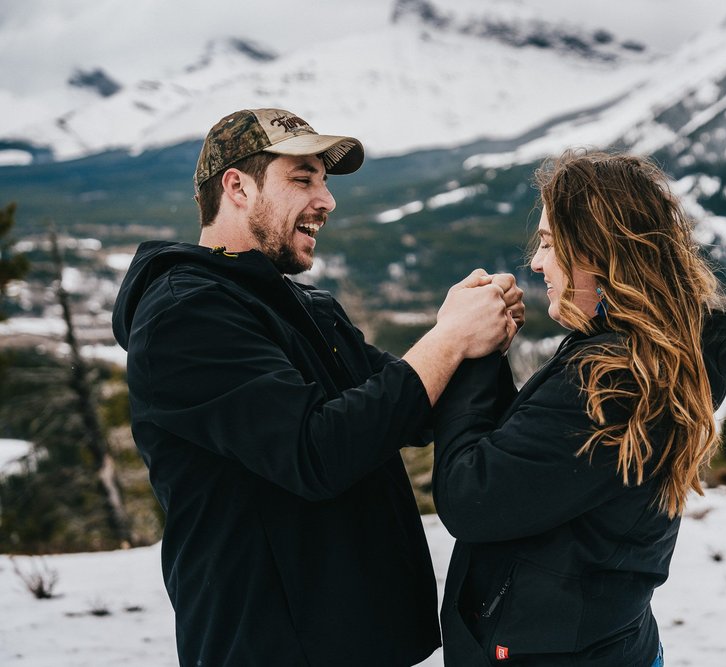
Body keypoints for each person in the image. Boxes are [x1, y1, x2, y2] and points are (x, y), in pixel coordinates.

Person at [111, 108, 523, 666]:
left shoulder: (307, 308)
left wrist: (482, 337)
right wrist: (449, 338)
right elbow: (315, 452)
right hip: (271, 649)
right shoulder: (185, 314)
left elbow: (417, 408)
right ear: (236, 186)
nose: (326, 201)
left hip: (361, 643)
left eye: (323, 183)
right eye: (302, 179)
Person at [431, 150, 726, 666]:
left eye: (551, 243)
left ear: (599, 254)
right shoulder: (649, 354)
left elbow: (473, 495)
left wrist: (470, 352)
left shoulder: (612, 381)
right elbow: (540, 466)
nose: (536, 261)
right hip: (599, 642)